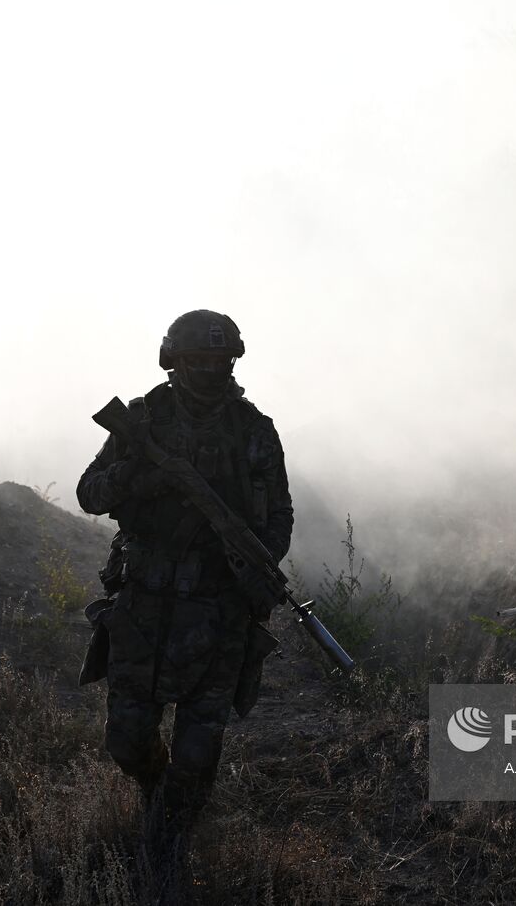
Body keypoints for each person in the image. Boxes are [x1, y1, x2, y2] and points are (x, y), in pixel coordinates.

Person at [76, 309, 293, 825]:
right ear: (173, 360)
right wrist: (137, 473)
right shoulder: (142, 421)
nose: (211, 372)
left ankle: (172, 838)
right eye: (199, 360)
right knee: (127, 743)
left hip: (216, 613)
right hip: (143, 606)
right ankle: (153, 789)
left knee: (196, 764)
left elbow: (280, 516)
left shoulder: (253, 432)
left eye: (221, 361)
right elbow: (89, 493)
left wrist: (251, 561)